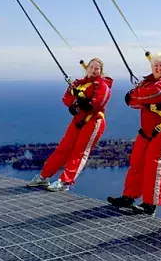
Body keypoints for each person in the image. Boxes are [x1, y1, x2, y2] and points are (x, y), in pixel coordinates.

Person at [107, 52, 161, 216]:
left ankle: (150, 204)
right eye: (156, 66)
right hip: (147, 131)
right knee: (137, 163)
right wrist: (142, 98)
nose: (159, 68)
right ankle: (129, 196)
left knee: (155, 167)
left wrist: (137, 94)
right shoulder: (147, 83)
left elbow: (153, 94)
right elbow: (133, 103)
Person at [27, 58, 113, 192]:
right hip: (78, 120)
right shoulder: (79, 83)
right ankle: (44, 176)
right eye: (91, 67)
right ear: (87, 68)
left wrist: (81, 101)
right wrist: (73, 104)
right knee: (63, 148)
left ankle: (65, 181)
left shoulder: (102, 85)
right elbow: (66, 98)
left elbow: (97, 104)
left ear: (101, 71)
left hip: (93, 121)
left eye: (97, 68)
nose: (93, 70)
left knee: (80, 152)